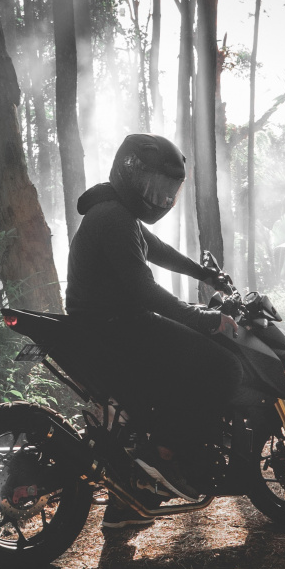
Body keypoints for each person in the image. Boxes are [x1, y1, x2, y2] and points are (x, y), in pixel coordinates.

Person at [65, 133, 242, 530]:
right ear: (132, 175)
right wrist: (204, 319)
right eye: (156, 187)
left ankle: (130, 502)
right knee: (224, 367)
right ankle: (166, 453)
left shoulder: (117, 212)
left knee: (161, 388)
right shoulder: (113, 218)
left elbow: (157, 249)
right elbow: (144, 290)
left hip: (105, 324)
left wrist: (202, 273)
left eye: (169, 190)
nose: (162, 198)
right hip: (113, 326)